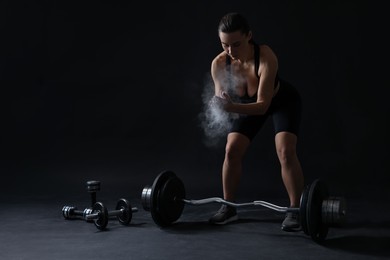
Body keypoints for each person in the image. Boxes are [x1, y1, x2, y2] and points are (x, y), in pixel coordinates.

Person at [208, 12, 304, 231]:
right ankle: (228, 208)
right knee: (231, 150)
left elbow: (262, 105)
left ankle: (296, 210)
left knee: (285, 151)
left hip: (281, 102)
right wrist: (220, 104)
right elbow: (221, 101)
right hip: (245, 106)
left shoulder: (266, 57)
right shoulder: (219, 64)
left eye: (236, 44)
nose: (230, 51)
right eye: (224, 45)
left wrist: (230, 107)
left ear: (249, 36)